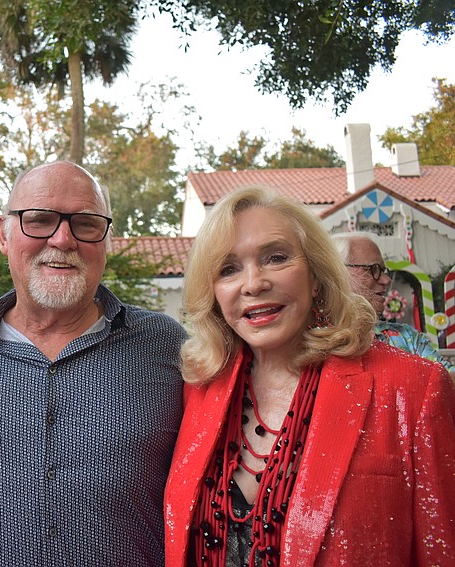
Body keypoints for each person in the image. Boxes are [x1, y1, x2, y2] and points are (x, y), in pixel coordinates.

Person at [164, 186, 455, 566]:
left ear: (316, 276)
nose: (253, 283)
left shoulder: (414, 386)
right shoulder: (199, 391)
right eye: (228, 268)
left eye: (276, 258)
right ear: (214, 294)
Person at [0, 161, 186, 566]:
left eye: (85, 223)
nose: (63, 239)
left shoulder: (166, 347)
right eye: (40, 220)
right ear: (3, 235)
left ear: (107, 239)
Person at [332, 231, 455, 374]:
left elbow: (449, 379)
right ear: (337, 272)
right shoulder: (313, 343)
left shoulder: (406, 338)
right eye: (374, 269)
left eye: (384, 271)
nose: (387, 280)